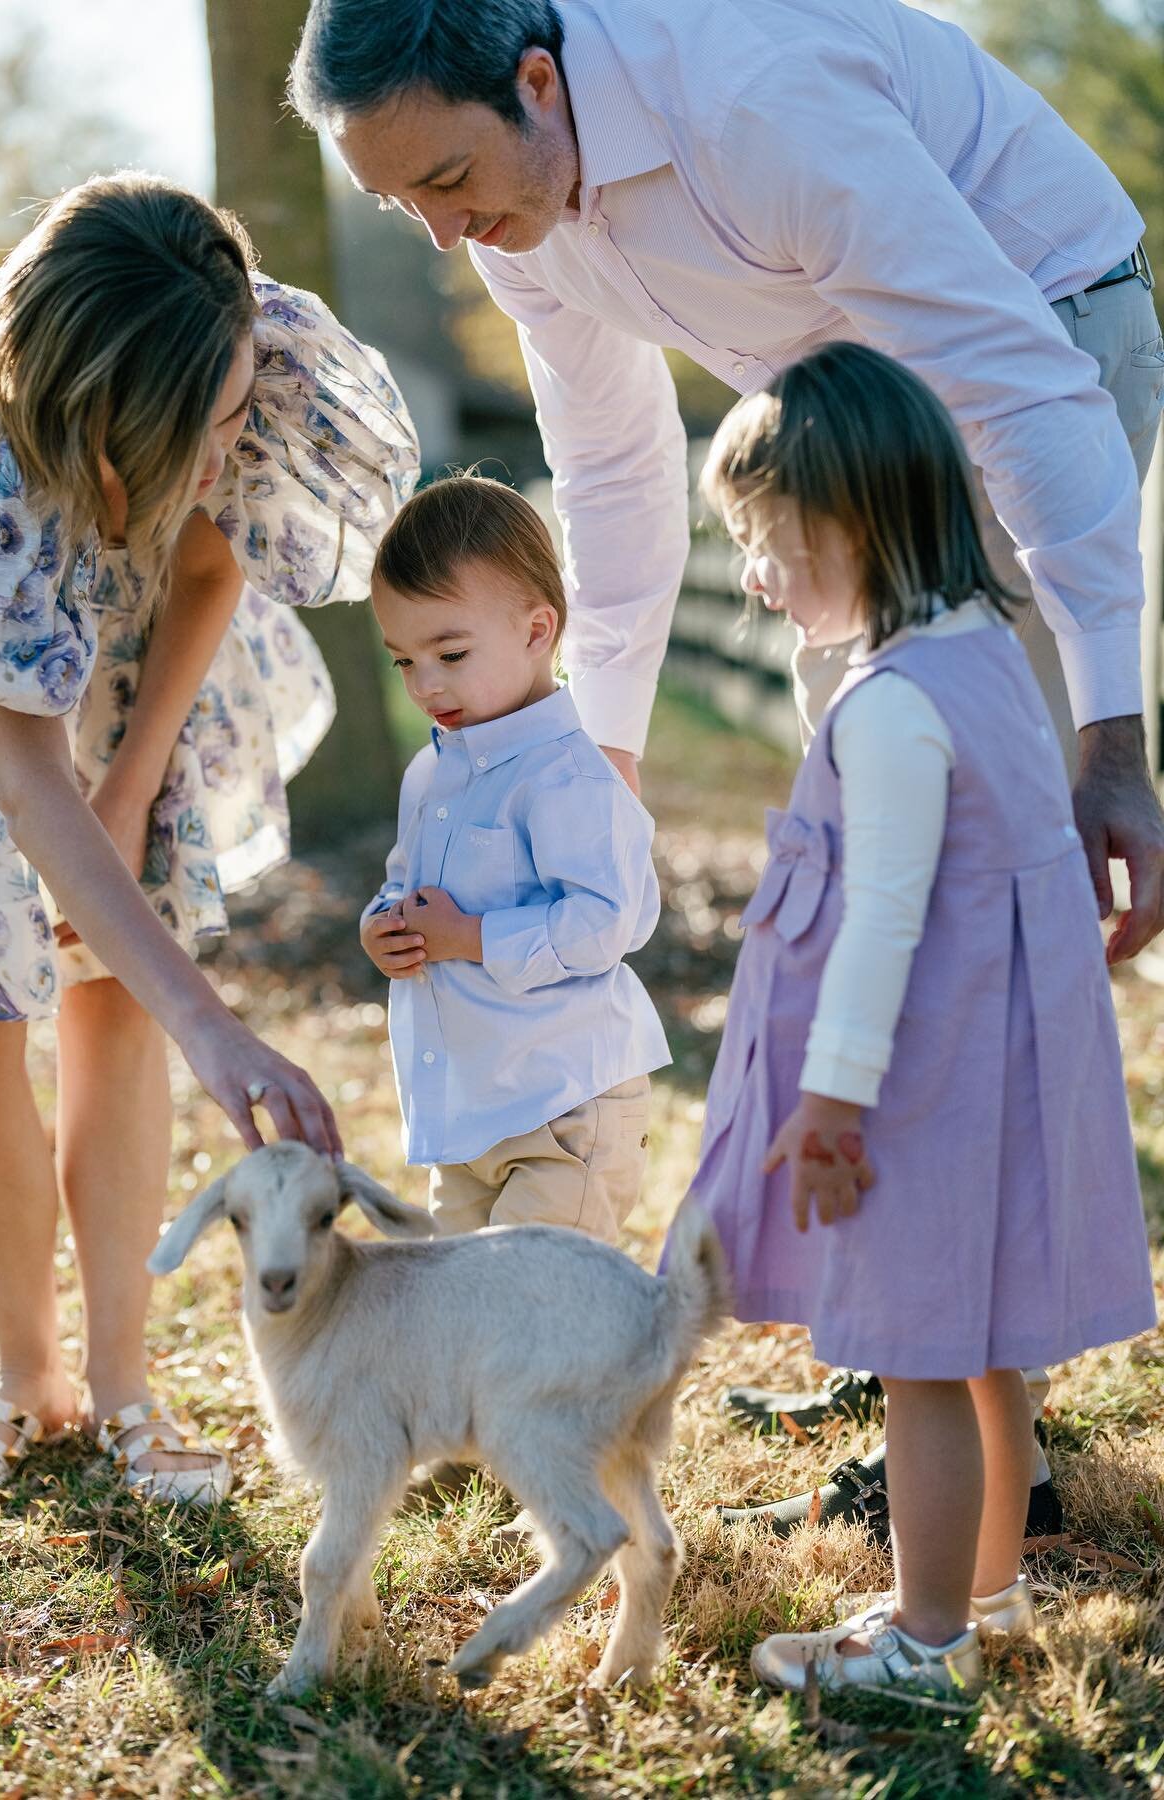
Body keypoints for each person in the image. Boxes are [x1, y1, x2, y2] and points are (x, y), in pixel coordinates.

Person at [289, 0, 1164, 1535]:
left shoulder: (752, 99)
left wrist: (1110, 738)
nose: (443, 236)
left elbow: (1024, 387)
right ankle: (907, 1359)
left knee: (955, 925)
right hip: (848, 419)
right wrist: (596, 763)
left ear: (539, 81)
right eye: (400, 204)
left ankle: (993, 1469)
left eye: (444, 179)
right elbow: (616, 475)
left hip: (1037, 330)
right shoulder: (513, 198)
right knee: (856, 874)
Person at [0, 172, 418, 1506]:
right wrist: (223, 1024)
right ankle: (25, 1381)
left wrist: (137, 777)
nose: (221, 453)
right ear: (95, 421)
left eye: (230, 422)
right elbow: (18, 764)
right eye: (197, 435)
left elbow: (210, 559)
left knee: (114, 987)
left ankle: (121, 1388)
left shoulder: (222, 339)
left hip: (129, 623)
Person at [658, 342, 1156, 1695]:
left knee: (922, 1363)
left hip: (922, 1090)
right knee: (989, 1352)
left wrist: (831, 1099)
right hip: (1000, 1075)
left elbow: (883, 923)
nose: (757, 579)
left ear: (858, 528)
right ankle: (981, 1601)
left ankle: (927, 1641)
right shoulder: (989, 651)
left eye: (769, 544)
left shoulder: (887, 710)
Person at [360, 474, 668, 1244]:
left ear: (537, 631)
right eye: (402, 662)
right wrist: (383, 927)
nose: (424, 685)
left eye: (450, 653)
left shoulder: (568, 776)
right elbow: (407, 886)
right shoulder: (433, 773)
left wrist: (471, 938)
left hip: (563, 1107)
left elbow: (608, 923)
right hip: (469, 1105)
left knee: (538, 1314)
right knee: (466, 1317)